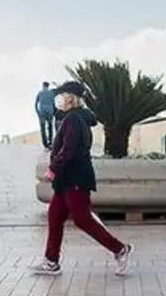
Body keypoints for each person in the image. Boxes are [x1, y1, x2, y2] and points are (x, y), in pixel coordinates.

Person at [34, 81, 133, 275]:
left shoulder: (73, 119)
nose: (59, 99)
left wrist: (53, 168)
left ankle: (121, 249)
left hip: (75, 179)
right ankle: (51, 261)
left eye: (62, 95)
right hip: (66, 180)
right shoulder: (76, 118)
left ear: (71, 97)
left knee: (82, 219)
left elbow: (69, 150)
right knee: (54, 216)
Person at [34, 81, 56, 148]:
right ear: (48, 86)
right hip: (50, 111)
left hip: (42, 112)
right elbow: (54, 104)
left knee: (43, 128)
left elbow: (36, 104)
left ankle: (45, 143)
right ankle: (50, 141)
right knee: (50, 126)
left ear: (43, 86)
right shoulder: (51, 93)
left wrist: (37, 112)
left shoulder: (40, 93)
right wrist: (54, 112)